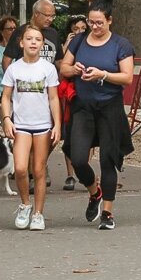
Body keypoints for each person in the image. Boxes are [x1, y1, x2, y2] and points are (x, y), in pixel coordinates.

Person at [60, 0, 135, 230]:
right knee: (78, 157)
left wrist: (103, 74)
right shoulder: (80, 40)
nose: (94, 27)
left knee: (107, 160)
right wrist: (75, 70)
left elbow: (127, 77)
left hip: (109, 107)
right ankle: (95, 192)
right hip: (83, 106)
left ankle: (107, 213)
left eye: (99, 23)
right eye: (90, 22)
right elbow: (63, 67)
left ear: (110, 20)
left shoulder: (120, 44)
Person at [0, 25, 61, 231]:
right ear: (21, 43)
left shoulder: (48, 68)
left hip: (43, 126)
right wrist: (7, 119)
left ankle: (38, 213)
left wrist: (57, 124)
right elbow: (6, 97)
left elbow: (53, 98)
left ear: (42, 44)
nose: (33, 42)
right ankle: (25, 204)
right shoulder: (14, 69)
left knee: (38, 170)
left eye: (37, 39)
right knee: (19, 169)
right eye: (29, 38)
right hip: (21, 126)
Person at [3, 0, 62, 186]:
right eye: (48, 15)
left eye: (53, 15)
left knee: (50, 135)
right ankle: (29, 173)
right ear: (36, 13)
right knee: (24, 138)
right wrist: (11, 83)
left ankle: (39, 166)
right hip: (24, 92)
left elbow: (59, 60)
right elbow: (7, 59)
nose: (51, 19)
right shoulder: (20, 33)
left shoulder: (52, 34)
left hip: (47, 91)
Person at [60, 15, 88, 190]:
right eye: (75, 29)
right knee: (70, 134)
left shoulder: (91, 44)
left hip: (88, 91)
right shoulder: (70, 46)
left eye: (82, 28)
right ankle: (70, 174)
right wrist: (66, 45)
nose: (79, 32)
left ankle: (85, 169)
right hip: (70, 93)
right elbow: (62, 65)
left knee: (88, 134)